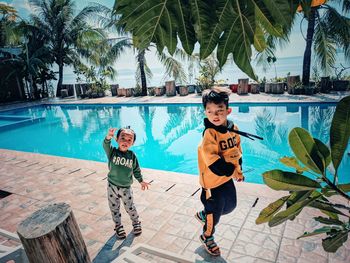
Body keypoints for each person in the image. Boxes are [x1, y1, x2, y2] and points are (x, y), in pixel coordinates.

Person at [195, 86, 244, 256]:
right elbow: (212, 161)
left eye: (219, 110)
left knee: (231, 206)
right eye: (210, 111)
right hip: (211, 182)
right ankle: (207, 235)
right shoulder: (210, 133)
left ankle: (205, 213)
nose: (215, 115)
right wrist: (230, 170)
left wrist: (238, 170)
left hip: (226, 178)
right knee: (214, 213)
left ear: (228, 111)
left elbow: (237, 151)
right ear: (205, 112)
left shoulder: (233, 129)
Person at [103, 127, 150, 239]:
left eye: (129, 140)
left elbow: (136, 170)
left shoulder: (132, 156)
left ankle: (136, 222)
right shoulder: (112, 152)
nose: (125, 141)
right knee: (114, 207)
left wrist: (141, 181)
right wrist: (108, 136)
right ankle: (118, 226)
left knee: (130, 207)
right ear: (117, 139)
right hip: (112, 186)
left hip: (126, 188)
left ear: (133, 143)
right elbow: (105, 145)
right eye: (122, 138)